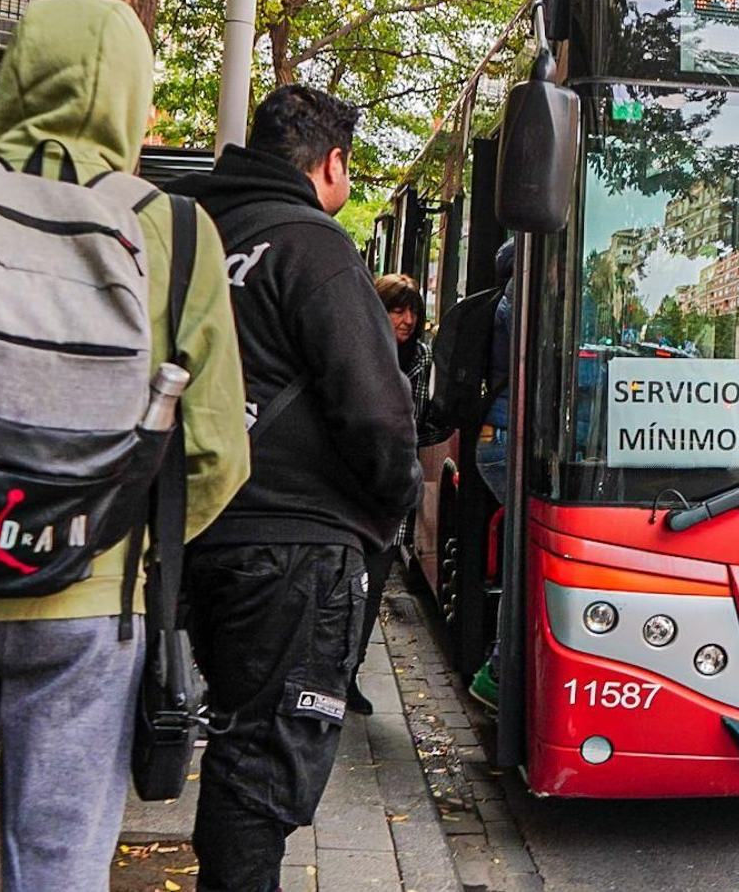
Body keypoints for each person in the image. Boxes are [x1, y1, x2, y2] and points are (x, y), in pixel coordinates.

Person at [0, 0, 251, 892]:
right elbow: (219, 451)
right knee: (63, 867)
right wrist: (115, 543)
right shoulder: (177, 230)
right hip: (90, 605)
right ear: (131, 96)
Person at [169, 85, 423, 892]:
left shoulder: (193, 231)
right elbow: (379, 417)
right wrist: (393, 507)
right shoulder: (312, 245)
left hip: (194, 529)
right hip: (294, 549)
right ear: (333, 164)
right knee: (263, 760)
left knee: (233, 733)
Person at [349, 273, 448, 714]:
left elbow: (418, 418)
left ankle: (350, 673)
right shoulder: (357, 343)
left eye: (412, 312)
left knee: (371, 588)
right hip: (349, 484)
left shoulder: (421, 358)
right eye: (396, 309)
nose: (406, 320)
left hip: (391, 487)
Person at [468, 239, 515, 710]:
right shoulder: (522, 297)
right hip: (506, 440)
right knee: (525, 559)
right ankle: (500, 672)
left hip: (497, 436)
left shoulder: (505, 297)